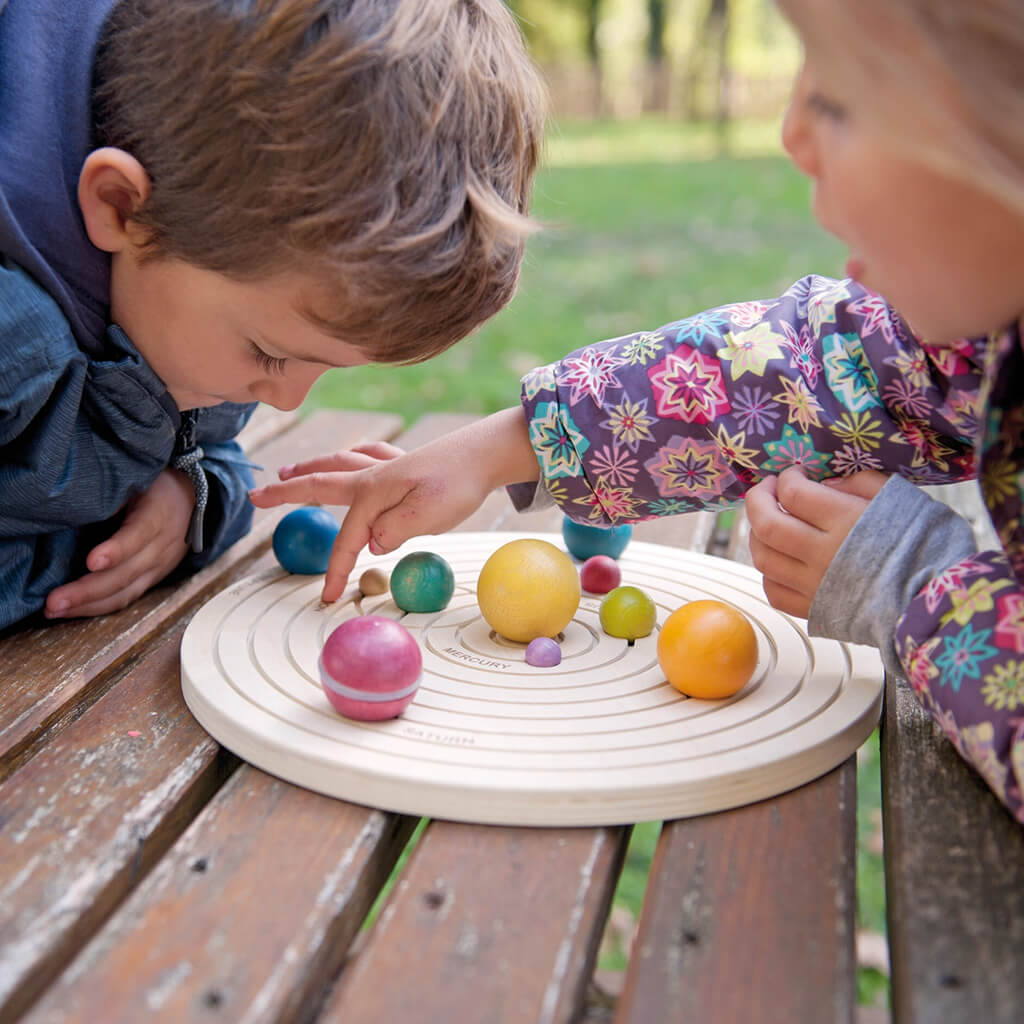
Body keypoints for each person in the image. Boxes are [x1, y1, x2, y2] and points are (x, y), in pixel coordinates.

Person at [250, 0, 1024, 823]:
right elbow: (790, 369)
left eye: (838, 99)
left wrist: (914, 588)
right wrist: (496, 451)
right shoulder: (972, 322)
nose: (792, 134)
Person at [0, 0, 545, 630]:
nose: (286, 401)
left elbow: (208, 448)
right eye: (270, 355)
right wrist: (71, 555)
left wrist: (187, 500)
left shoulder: (194, 297)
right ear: (122, 208)